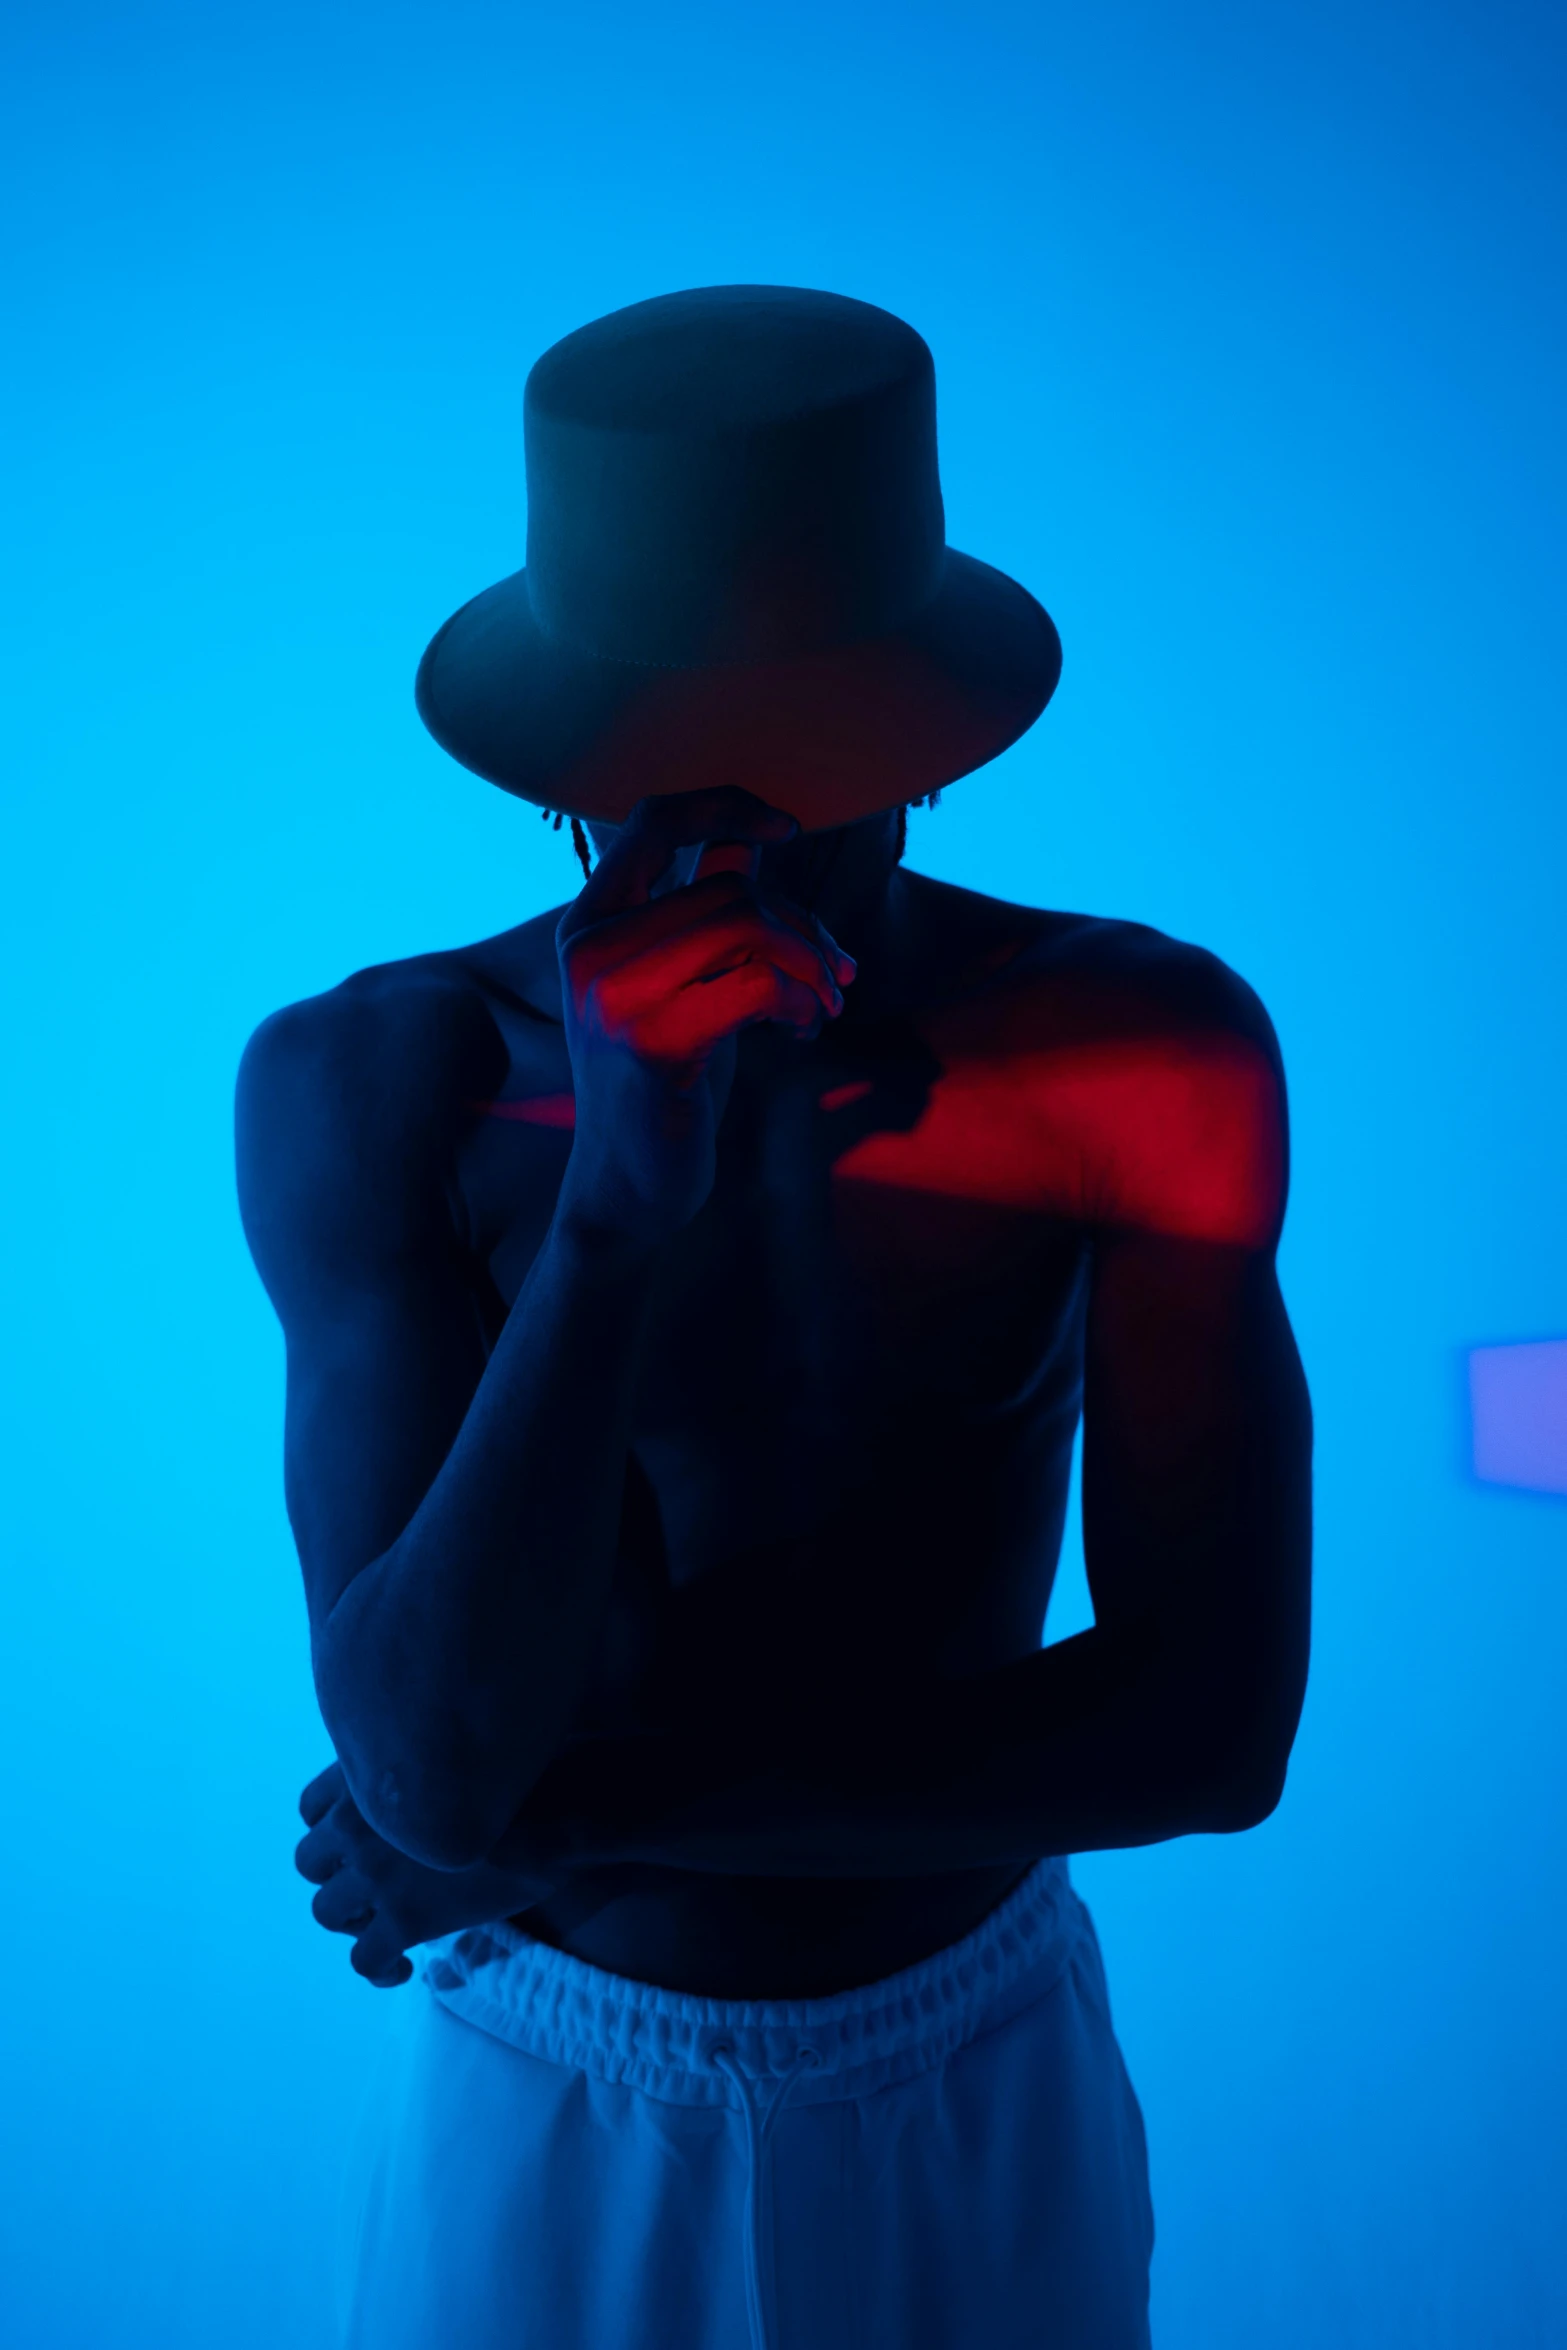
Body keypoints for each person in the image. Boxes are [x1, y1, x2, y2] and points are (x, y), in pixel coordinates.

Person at [235, 287, 1311, 2350]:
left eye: (806, 765)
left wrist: (609, 1805)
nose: (732, 843)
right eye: (663, 775)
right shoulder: (381, 1079)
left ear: (920, 748)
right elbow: (433, 1773)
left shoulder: (1131, 1047)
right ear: (562, 766)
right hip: (555, 2082)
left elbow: (1214, 1723)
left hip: (974, 2053)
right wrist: (613, 1217)